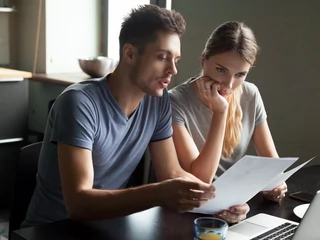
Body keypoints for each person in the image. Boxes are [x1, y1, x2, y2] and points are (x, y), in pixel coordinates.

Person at [22, 4, 215, 228]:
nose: (173, 69)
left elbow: (171, 172)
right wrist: (158, 193)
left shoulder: (159, 101)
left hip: (107, 227)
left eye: (176, 60)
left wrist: (219, 202)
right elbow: (78, 203)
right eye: (163, 57)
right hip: (52, 230)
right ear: (130, 53)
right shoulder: (78, 103)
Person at [169, 21, 287, 223]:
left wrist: (275, 185)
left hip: (228, 206)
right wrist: (221, 112)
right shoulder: (174, 101)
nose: (229, 84)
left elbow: (272, 164)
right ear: (204, 60)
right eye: (221, 70)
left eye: (240, 74)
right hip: (183, 212)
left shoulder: (250, 94)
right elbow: (200, 179)